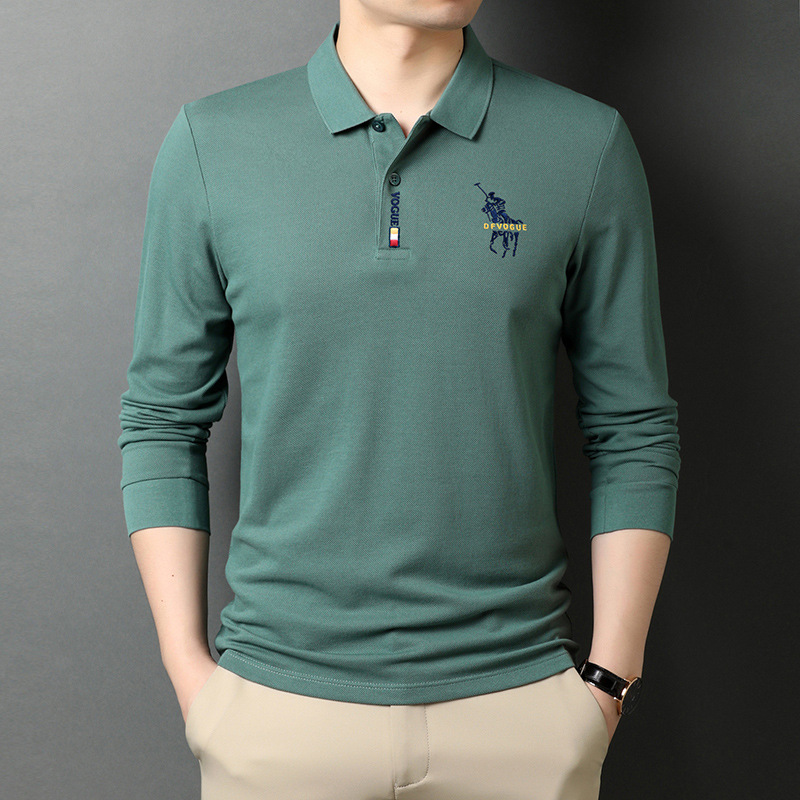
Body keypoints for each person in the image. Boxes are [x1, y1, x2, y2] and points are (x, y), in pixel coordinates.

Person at [118, 1, 680, 797]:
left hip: (520, 712)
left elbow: (633, 426)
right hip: (278, 712)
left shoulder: (584, 144)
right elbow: (162, 417)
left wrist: (609, 682)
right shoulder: (214, 143)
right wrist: (192, 676)